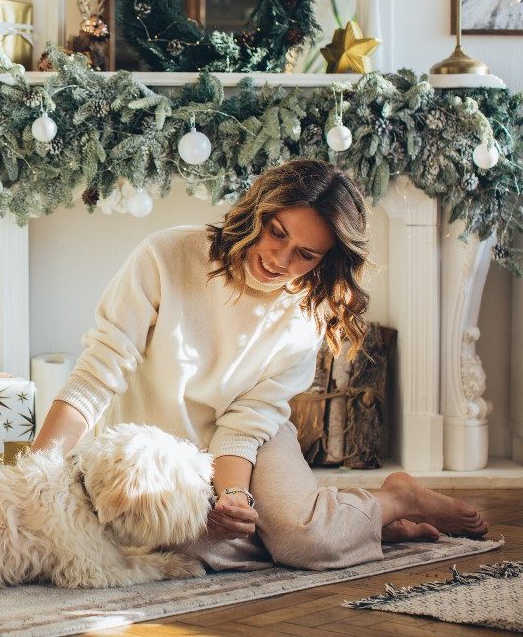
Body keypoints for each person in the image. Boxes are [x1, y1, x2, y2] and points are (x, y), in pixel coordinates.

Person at [32, 159, 488, 572]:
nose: (279, 260)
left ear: (325, 260)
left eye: (305, 255)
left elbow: (244, 424)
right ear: (256, 212)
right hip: (163, 449)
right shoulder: (165, 256)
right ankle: (346, 523)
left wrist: (233, 497)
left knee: (307, 543)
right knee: (172, 543)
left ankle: (393, 500)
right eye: (276, 232)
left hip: (249, 442)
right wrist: (37, 474)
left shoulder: (305, 316)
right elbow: (98, 372)